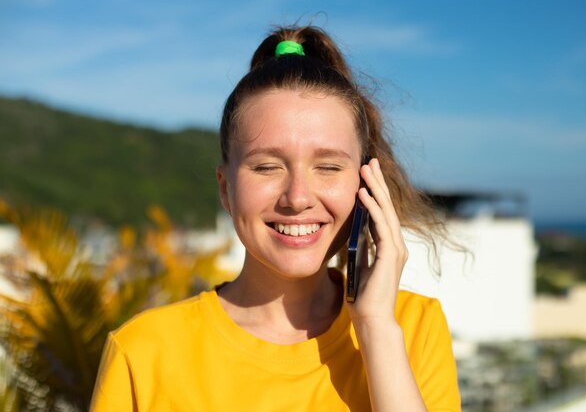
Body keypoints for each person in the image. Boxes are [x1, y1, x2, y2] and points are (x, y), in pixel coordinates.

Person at [90, 25, 461, 412]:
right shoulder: (144, 352)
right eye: (266, 167)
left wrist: (375, 329)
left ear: (367, 183)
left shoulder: (413, 327)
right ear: (224, 188)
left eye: (329, 167)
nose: (298, 197)